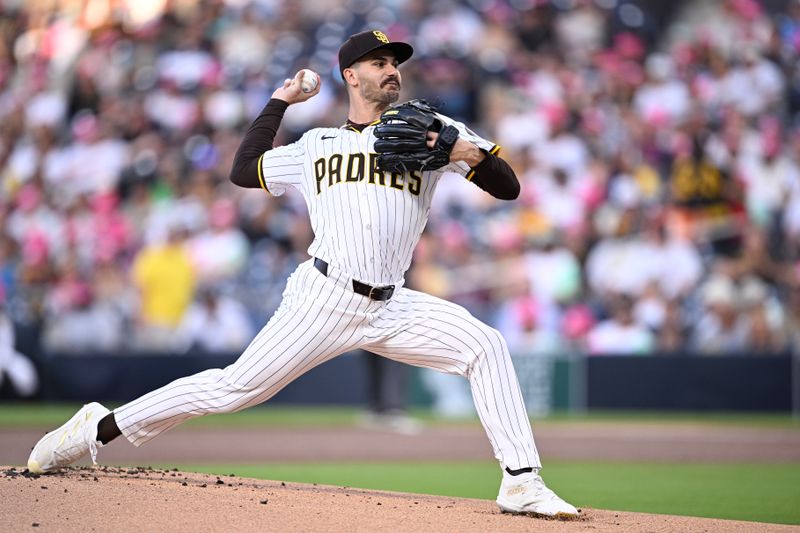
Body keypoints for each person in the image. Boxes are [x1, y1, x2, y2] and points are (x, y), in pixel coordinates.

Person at [27, 30, 578, 519]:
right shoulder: (318, 146)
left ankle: (521, 483)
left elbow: (508, 187)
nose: (391, 69)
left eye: (396, 61)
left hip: (393, 304)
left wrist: (464, 150)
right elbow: (243, 170)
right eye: (379, 60)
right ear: (351, 75)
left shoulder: (432, 132)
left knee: (485, 345)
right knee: (232, 389)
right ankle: (95, 428)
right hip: (323, 297)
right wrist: (279, 100)